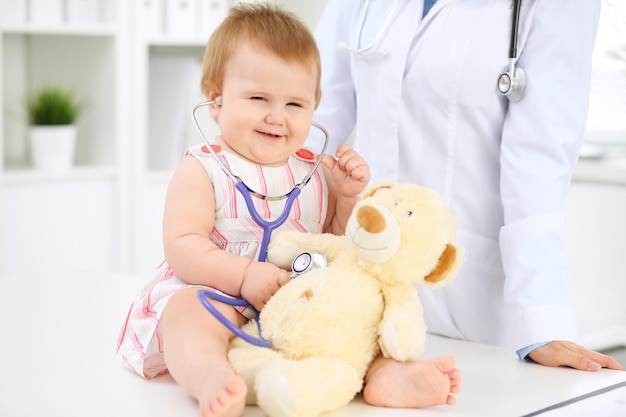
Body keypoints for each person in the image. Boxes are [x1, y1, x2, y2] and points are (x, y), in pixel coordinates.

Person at [312, 0, 625, 408]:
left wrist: (542, 319)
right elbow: (312, 114)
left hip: (471, 296)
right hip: (362, 276)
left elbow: (538, 158)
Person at [116, 4, 378, 417]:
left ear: (315, 106)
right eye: (258, 98)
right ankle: (210, 378)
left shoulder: (314, 172)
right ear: (216, 99)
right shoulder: (203, 168)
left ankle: (385, 381)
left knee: (355, 311)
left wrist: (346, 200)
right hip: (216, 295)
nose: (277, 116)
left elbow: (333, 246)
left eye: (295, 104)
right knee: (189, 314)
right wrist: (242, 276)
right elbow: (182, 245)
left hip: (289, 306)